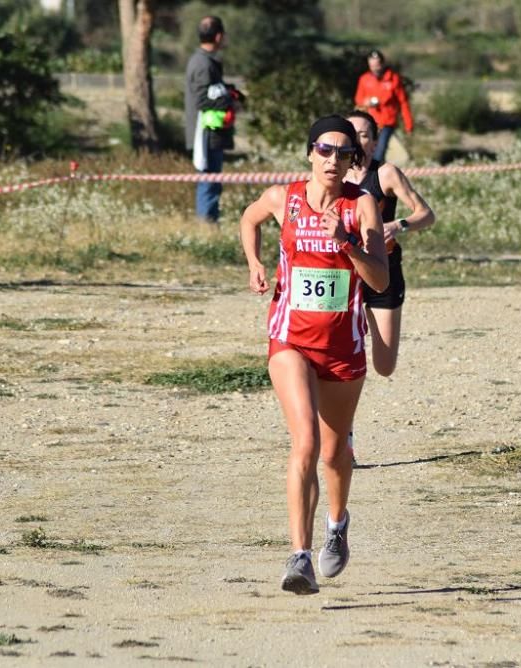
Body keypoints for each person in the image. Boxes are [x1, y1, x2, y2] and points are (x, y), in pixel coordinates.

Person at [239, 115, 388, 595]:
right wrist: (255, 262)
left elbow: (379, 281)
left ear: (353, 162)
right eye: (325, 150)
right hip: (290, 339)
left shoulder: (361, 206)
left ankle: (338, 523)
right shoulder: (285, 198)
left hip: (343, 347)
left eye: (344, 154)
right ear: (310, 153)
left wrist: (346, 244)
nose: (333, 159)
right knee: (303, 441)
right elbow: (249, 217)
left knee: (333, 451)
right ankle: (299, 556)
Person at [345, 109, 435, 376]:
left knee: (384, 366)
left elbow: (426, 215)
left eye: (364, 135)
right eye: (351, 134)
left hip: (383, 269)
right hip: (344, 272)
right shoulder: (332, 175)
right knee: (336, 355)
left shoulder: (385, 174)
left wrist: (397, 225)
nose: (357, 140)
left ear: (374, 142)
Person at [184, 15, 240, 224]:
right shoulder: (203, 64)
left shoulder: (206, 62)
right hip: (206, 132)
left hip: (211, 131)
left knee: (212, 180)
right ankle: (206, 225)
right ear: (218, 36)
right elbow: (202, 100)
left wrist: (229, 92)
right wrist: (229, 102)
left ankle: (209, 221)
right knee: (209, 180)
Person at [354, 50, 413, 162]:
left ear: (383, 63)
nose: (375, 68)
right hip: (369, 122)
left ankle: (376, 176)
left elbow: (403, 102)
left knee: (379, 154)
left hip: (387, 122)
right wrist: (366, 102)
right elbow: (358, 99)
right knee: (366, 152)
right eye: (372, 66)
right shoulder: (364, 79)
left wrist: (408, 124)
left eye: (377, 65)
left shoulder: (393, 79)